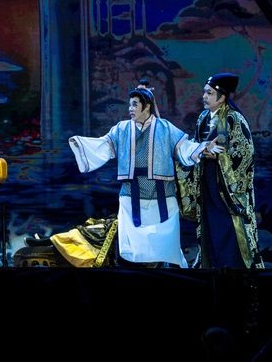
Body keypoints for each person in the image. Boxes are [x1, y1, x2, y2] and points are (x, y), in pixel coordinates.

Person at [68, 80, 215, 266]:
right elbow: (104, 145)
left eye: (134, 104)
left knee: (164, 242)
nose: (130, 109)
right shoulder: (122, 128)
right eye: (130, 105)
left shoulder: (165, 127)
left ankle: (165, 269)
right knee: (133, 243)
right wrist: (82, 145)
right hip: (131, 193)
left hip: (162, 193)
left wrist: (202, 148)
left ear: (147, 106)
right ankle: (136, 271)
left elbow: (184, 147)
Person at [177, 72, 264, 269]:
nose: (204, 97)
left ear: (222, 96)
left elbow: (245, 153)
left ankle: (237, 275)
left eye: (209, 93)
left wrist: (220, 157)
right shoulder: (202, 118)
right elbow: (195, 146)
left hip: (227, 191)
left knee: (230, 230)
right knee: (210, 226)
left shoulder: (234, 119)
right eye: (204, 92)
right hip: (206, 184)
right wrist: (199, 152)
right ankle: (212, 274)